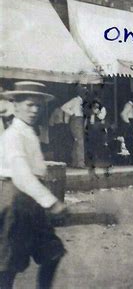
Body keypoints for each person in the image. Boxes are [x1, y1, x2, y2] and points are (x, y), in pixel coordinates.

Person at [0, 81, 67, 289]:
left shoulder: (28, 131)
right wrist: (51, 202)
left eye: (38, 105)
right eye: (29, 104)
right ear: (16, 105)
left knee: (52, 252)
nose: (35, 110)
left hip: (30, 198)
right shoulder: (13, 135)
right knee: (8, 263)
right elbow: (21, 174)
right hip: (15, 198)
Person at [61, 87, 86, 168]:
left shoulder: (82, 101)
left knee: (77, 142)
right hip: (76, 121)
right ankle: (80, 163)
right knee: (80, 141)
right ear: (80, 92)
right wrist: (72, 113)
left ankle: (75, 162)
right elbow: (64, 107)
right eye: (84, 92)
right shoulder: (75, 100)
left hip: (80, 120)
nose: (85, 94)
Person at [84, 99, 108, 168]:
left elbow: (102, 117)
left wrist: (96, 112)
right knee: (91, 145)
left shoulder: (102, 109)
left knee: (100, 144)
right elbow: (87, 120)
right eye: (94, 105)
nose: (95, 106)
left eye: (97, 105)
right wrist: (85, 127)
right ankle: (92, 161)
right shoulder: (90, 110)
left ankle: (100, 161)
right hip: (92, 129)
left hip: (99, 129)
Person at [120, 99, 133, 163]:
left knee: (131, 140)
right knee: (130, 140)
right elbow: (123, 114)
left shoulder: (130, 105)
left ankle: (132, 157)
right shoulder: (129, 105)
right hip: (130, 123)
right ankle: (131, 158)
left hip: (131, 122)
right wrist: (128, 122)